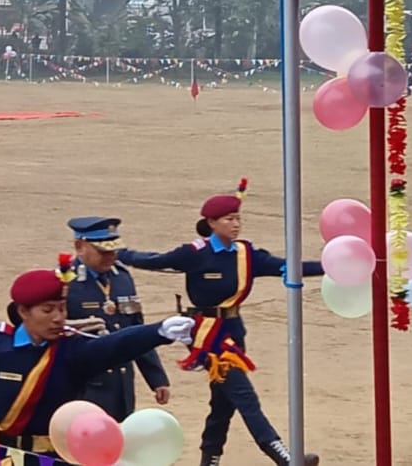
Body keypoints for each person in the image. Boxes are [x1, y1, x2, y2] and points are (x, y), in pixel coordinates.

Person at [117, 182, 325, 466]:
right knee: (245, 396)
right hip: (206, 335)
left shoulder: (246, 254)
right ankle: (283, 457)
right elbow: (156, 261)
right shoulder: (194, 252)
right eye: (229, 219)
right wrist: (119, 253)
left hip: (233, 331)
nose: (236, 224)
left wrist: (330, 265)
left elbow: (287, 266)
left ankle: (209, 460)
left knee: (223, 404)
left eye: (238, 218)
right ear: (212, 223)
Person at [0, 265, 197, 458]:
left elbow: (115, 345)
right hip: (6, 455)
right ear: (24, 312)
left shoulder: (73, 352)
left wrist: (158, 331)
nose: (58, 318)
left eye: (62, 308)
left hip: (60, 456)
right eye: (47, 310)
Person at [65, 217, 171, 420]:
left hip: (122, 385)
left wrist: (157, 378)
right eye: (103, 251)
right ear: (80, 247)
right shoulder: (66, 284)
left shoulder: (121, 277)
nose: (111, 257)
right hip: (85, 389)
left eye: (114, 251)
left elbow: (136, 331)